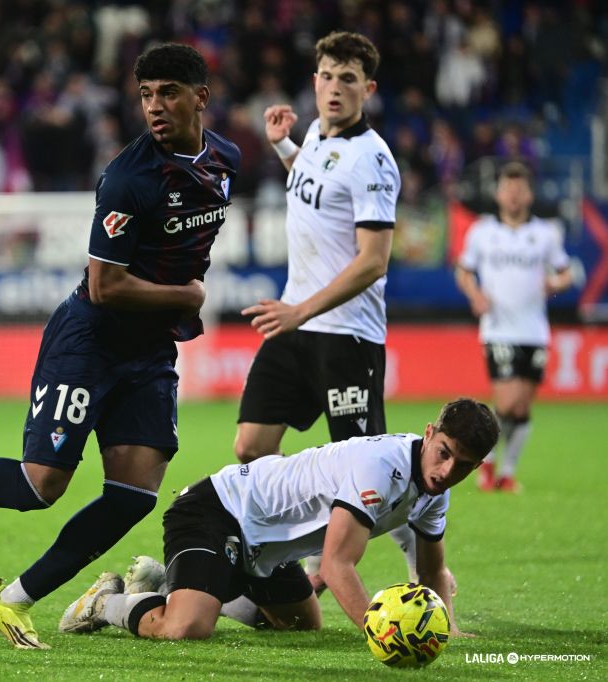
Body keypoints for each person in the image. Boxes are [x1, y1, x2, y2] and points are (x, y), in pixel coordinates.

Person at [0, 43, 240, 650]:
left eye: (168, 93)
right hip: (90, 340)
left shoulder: (225, 161)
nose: (154, 107)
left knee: (134, 495)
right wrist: (184, 296)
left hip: (150, 351)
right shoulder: (128, 178)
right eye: (146, 95)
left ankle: (12, 601)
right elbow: (105, 285)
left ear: (201, 98)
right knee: (42, 485)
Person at [59, 398, 499, 641]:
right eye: (444, 453)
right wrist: (380, 631)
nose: (446, 472)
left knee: (302, 625)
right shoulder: (382, 466)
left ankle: (170, 585)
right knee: (187, 627)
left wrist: (450, 628)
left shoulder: (435, 490)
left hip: (265, 549)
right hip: (218, 510)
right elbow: (336, 565)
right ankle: (104, 602)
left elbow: (431, 570)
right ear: (429, 434)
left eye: (462, 466)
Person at [233, 31, 417, 579]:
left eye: (349, 79)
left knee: (367, 470)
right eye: (328, 77)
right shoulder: (314, 133)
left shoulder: (373, 160)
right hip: (295, 322)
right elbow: (317, 185)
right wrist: (283, 147)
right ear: (315, 82)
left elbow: (373, 261)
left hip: (346, 335)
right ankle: (290, 549)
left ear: (369, 89)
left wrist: (300, 311)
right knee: (251, 447)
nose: (336, 88)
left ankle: (426, 565)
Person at [456, 161, 573, 492]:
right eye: (508, 189)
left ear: (529, 195)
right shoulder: (482, 232)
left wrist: (556, 282)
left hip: (534, 330)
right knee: (506, 403)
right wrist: (476, 295)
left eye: (519, 189)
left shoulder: (545, 234)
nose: (513, 195)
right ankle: (486, 463)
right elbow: (463, 270)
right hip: (498, 328)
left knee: (522, 407)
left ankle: (506, 473)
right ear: (498, 194)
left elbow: (565, 272)